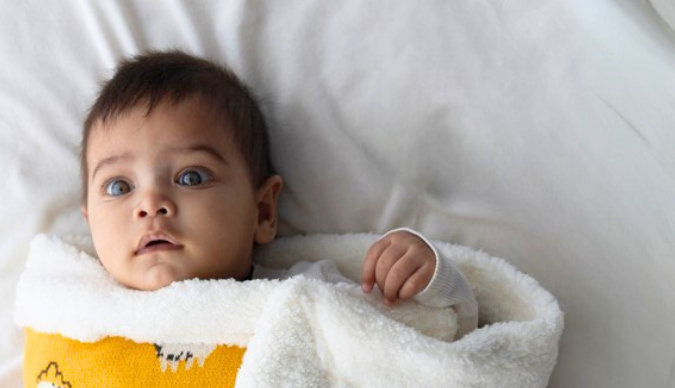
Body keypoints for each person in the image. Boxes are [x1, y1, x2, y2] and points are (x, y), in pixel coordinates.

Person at [80, 50, 478, 336]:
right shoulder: (79, 309)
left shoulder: (304, 295)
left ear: (264, 212)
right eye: (119, 186)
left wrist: (427, 278)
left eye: (191, 178)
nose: (151, 205)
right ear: (89, 220)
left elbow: (448, 332)